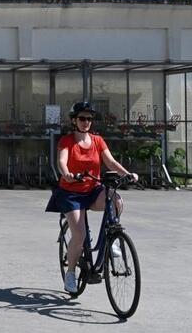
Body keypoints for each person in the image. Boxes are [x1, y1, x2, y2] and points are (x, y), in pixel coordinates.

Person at [46, 102, 138, 294]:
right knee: (79, 235)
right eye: (82, 118)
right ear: (74, 120)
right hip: (71, 193)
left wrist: (127, 174)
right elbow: (62, 161)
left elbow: (110, 161)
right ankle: (70, 273)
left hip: (93, 189)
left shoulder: (97, 140)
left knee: (116, 200)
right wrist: (67, 174)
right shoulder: (67, 141)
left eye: (89, 119)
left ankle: (112, 239)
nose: (86, 122)